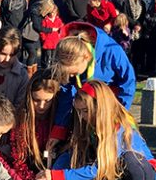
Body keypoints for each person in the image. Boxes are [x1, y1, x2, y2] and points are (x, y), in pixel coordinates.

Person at [37, 80, 156, 180]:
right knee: (86, 153)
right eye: (79, 112)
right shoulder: (89, 126)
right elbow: (71, 155)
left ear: (101, 107)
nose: (83, 117)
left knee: (128, 157)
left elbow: (99, 168)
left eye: (85, 111)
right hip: (118, 174)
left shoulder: (119, 127)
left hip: (143, 174)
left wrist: (60, 176)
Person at [47, 21, 136, 152]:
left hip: (112, 107)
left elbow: (128, 82)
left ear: (86, 57)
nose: (71, 77)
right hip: (86, 111)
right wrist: (59, 131)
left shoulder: (111, 51)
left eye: (74, 73)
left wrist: (119, 109)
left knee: (116, 148)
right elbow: (66, 97)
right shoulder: (70, 63)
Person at [3, 70, 64, 180]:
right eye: (36, 100)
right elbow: (18, 161)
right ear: (29, 96)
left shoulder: (60, 118)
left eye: (47, 101)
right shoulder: (21, 119)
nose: (42, 106)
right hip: (28, 175)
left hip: (55, 173)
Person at [37, 0, 63, 68]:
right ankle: (46, 69)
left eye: (54, 13)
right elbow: (42, 31)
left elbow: (61, 29)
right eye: (51, 12)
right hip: (47, 42)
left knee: (54, 57)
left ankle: (52, 69)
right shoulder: (46, 20)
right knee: (47, 57)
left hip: (55, 41)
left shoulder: (58, 20)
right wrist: (44, 38)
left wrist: (59, 36)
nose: (52, 14)